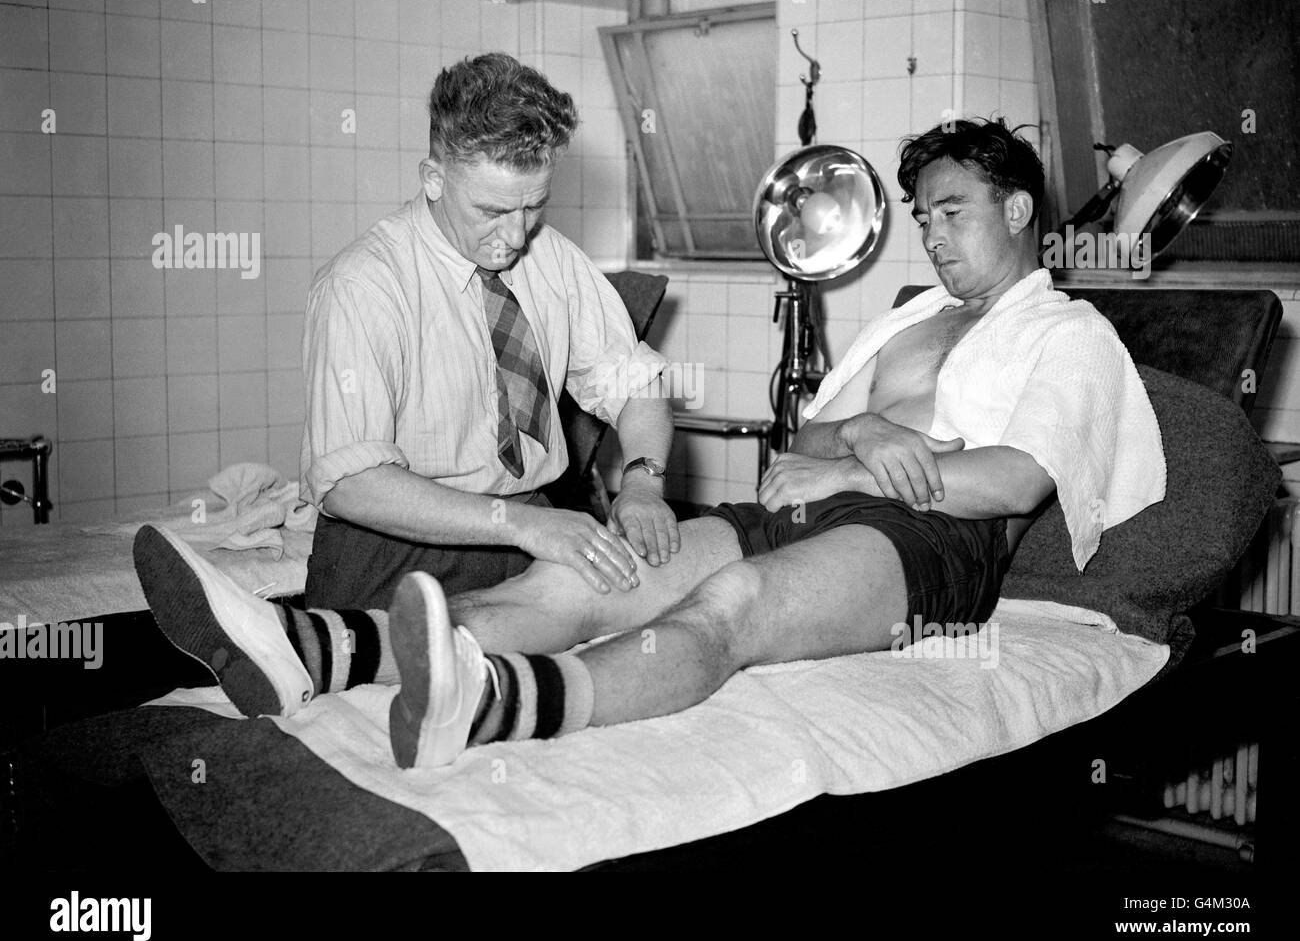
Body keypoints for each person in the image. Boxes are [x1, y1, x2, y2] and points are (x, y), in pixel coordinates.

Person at [134, 118, 1166, 765]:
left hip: (928, 542)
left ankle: (498, 706)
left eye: (952, 213)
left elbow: (1016, 476)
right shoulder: (907, 318)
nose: (932, 236)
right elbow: (808, 432)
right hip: (808, 503)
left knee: (731, 607)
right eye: (923, 216)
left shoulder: (1064, 332)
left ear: (1021, 209)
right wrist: (853, 431)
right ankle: (312, 644)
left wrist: (889, 461)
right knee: (604, 573)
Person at [133, 53, 679, 713]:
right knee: (384, 726)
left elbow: (635, 385)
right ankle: (295, 646)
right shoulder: (365, 285)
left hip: (534, 532)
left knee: (581, 674)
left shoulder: (555, 260)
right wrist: (520, 527)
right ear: (433, 178)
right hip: (396, 552)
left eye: (533, 207)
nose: (514, 236)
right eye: (491, 211)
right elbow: (354, 485)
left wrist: (645, 480)